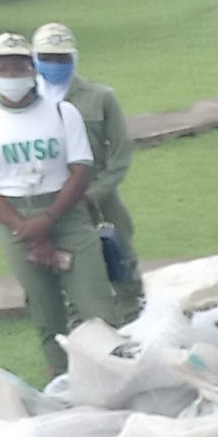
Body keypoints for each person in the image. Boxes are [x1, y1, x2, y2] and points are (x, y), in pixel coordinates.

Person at [0, 32, 112, 376]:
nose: (11, 76)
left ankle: (109, 378)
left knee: (98, 308)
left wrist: (48, 219)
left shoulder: (63, 113)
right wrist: (28, 230)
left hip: (65, 212)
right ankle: (64, 385)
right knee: (47, 316)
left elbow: (80, 170)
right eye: (2, 68)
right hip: (15, 218)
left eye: (18, 67)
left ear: (32, 69)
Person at [30, 22, 141, 318]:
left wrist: (94, 195)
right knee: (66, 265)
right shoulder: (26, 106)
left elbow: (120, 154)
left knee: (122, 259)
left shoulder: (100, 96)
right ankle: (78, 325)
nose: (55, 64)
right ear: (35, 59)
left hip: (99, 197)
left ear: (74, 58)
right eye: (48, 58)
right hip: (52, 203)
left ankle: (131, 319)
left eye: (62, 58)